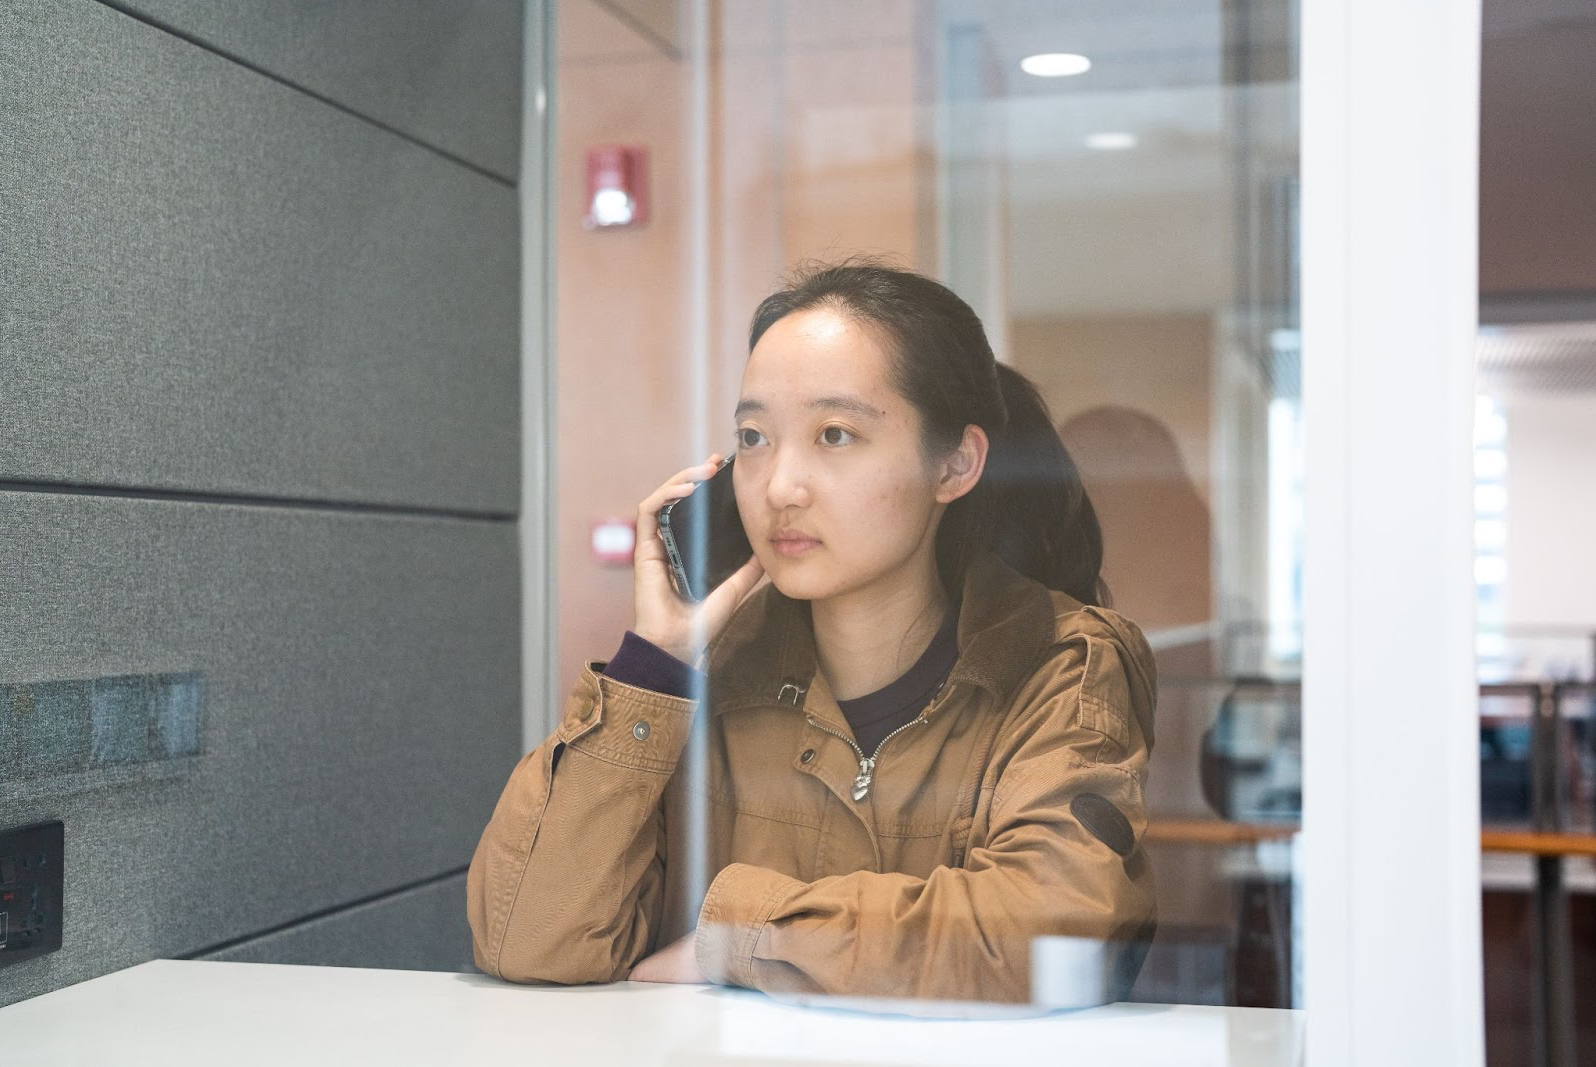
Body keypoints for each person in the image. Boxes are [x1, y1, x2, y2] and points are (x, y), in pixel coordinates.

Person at [466, 261, 1157, 1005]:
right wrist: (654, 668)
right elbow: (525, 938)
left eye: (834, 434)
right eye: (754, 436)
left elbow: (1050, 934)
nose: (779, 486)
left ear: (955, 463)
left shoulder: (1059, 663)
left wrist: (741, 935)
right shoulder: (705, 672)